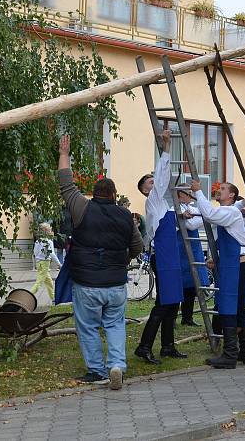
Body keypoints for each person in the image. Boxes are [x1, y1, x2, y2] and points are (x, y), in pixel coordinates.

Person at [58, 135, 143, 389]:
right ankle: (116, 365)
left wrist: (64, 153)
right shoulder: (126, 215)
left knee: (88, 327)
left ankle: (97, 371)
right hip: (116, 283)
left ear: (93, 194)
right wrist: (123, 260)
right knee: (115, 324)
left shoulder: (81, 207)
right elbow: (137, 247)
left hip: (87, 284)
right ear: (115, 195)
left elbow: (66, 184)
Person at [135, 129, 187, 365]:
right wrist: (166, 146)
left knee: (173, 301)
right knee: (163, 304)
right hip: (163, 258)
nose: (154, 182)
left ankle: (167, 346)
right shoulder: (153, 200)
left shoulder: (162, 205)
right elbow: (163, 175)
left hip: (171, 257)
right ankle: (144, 347)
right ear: (146, 189)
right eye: (150, 181)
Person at [192, 180, 245, 368]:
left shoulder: (231, 211)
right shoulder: (233, 209)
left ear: (232, 195)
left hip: (235, 264)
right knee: (238, 306)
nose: (219, 190)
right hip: (234, 262)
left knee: (228, 304)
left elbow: (210, 214)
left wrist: (198, 192)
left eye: (224, 189)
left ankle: (230, 354)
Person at [177, 189, 208, 326]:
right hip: (181, 250)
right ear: (180, 195)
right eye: (188, 193)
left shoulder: (191, 208)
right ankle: (171, 318)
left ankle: (187, 317)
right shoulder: (175, 208)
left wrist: (200, 217)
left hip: (193, 247)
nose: (191, 195)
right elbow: (190, 224)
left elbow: (204, 215)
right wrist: (200, 218)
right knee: (179, 284)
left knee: (192, 285)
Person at [32, 222, 61, 301]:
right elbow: (52, 254)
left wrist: (38, 260)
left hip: (39, 263)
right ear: (46, 231)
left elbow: (35, 252)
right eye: (50, 230)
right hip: (45, 263)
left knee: (49, 282)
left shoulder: (38, 241)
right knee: (39, 282)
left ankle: (53, 298)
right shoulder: (49, 242)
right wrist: (59, 264)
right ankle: (28, 295)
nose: (51, 231)